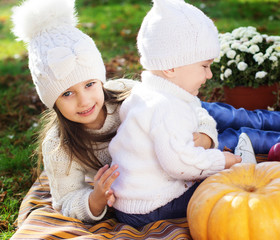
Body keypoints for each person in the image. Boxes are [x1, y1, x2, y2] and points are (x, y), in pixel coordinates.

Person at [11, 0, 242, 224]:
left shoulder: (125, 93)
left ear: (100, 79)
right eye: (67, 94)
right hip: (159, 174)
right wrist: (95, 200)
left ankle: (271, 122)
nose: (84, 101)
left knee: (229, 116)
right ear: (52, 100)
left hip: (182, 128)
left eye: (90, 84)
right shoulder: (60, 146)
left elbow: (182, 103)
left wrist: (205, 135)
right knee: (232, 142)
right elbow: (66, 200)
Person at [108, 0, 257, 228]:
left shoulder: (145, 93)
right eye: (204, 66)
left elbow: (194, 115)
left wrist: (203, 137)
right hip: (153, 206)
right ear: (171, 67)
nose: (209, 75)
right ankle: (241, 168)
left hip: (128, 202)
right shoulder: (166, 106)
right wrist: (222, 161)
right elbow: (180, 165)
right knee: (217, 186)